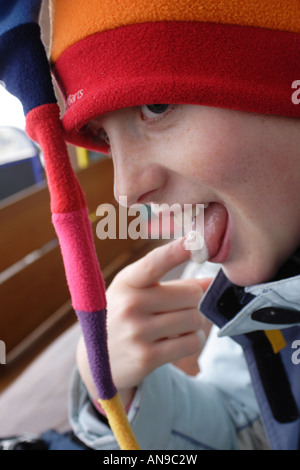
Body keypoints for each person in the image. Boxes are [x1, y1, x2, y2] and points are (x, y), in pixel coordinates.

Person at [1, 0, 300, 450]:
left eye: (155, 105)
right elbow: (249, 427)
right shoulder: (234, 289)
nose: (125, 190)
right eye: (103, 136)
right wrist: (118, 396)